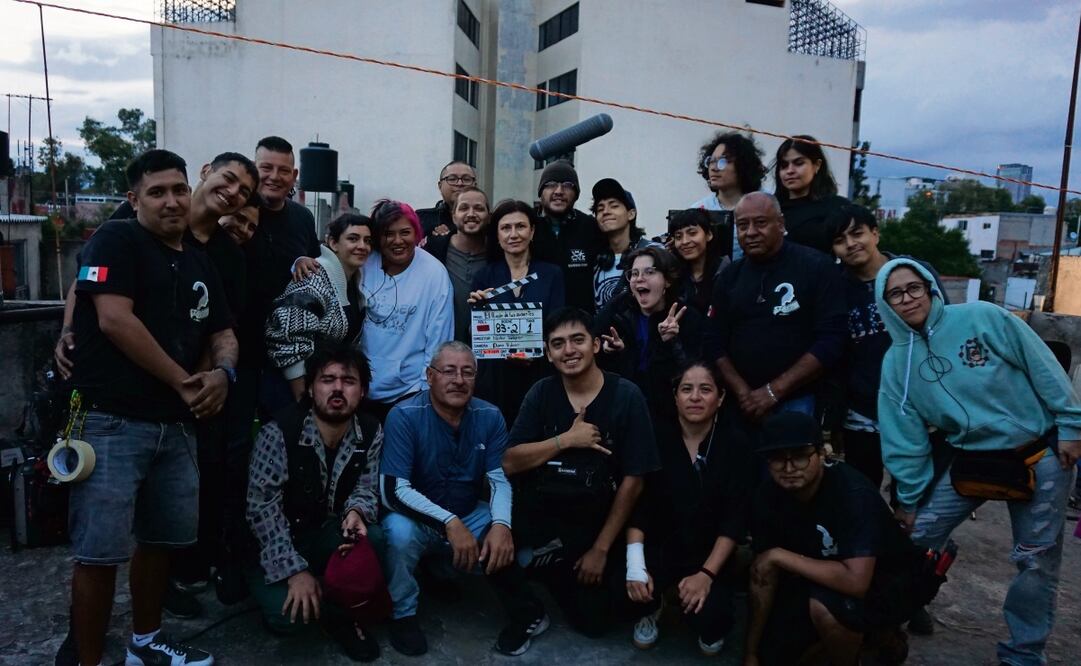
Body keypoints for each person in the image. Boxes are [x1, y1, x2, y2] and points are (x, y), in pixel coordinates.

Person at [64, 149, 237, 666]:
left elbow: (223, 330)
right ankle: (88, 660)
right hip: (112, 421)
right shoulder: (117, 240)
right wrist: (187, 382)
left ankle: (145, 642)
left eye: (178, 190)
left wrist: (222, 374)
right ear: (133, 198)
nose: (171, 201)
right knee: (99, 553)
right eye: (157, 192)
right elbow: (115, 320)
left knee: (160, 542)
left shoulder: (199, 258)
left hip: (176, 426)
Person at [876, 258, 1081, 666]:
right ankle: (883, 625)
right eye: (895, 294)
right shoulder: (896, 363)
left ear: (931, 288)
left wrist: (1072, 425)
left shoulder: (983, 318)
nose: (907, 298)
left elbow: (1043, 367)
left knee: (1036, 561)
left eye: (914, 287)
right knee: (914, 540)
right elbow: (904, 436)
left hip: (1036, 452)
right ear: (886, 305)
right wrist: (911, 498)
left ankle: (1023, 654)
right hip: (971, 460)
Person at [379, 342, 547, 657]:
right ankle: (402, 613)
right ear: (430, 376)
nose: (458, 379)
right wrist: (449, 523)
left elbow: (498, 479)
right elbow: (393, 490)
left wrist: (500, 525)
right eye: (449, 371)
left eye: (467, 372)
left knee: (513, 546)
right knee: (397, 533)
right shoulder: (403, 415)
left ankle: (518, 607)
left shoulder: (489, 415)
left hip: (468, 511)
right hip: (419, 517)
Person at [504, 307, 660, 638]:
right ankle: (551, 565)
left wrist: (601, 549)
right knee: (496, 540)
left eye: (578, 340)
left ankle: (566, 566)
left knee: (596, 621)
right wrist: (565, 440)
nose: (569, 350)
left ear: (596, 345)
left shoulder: (626, 395)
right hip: (550, 510)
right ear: (548, 353)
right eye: (558, 344)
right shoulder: (542, 393)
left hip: (604, 519)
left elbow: (635, 479)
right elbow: (510, 461)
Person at [745, 412, 929, 666]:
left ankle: (879, 638)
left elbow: (856, 582)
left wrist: (779, 555)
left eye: (800, 456)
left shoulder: (853, 495)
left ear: (822, 454)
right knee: (776, 655)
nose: (789, 468)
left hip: (886, 582)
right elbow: (763, 572)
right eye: (778, 458)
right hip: (818, 574)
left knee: (827, 611)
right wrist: (751, 653)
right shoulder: (768, 496)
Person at [246, 341, 389, 662]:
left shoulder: (370, 430)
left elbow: (367, 487)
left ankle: (339, 611)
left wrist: (356, 512)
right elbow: (261, 509)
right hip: (277, 542)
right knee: (288, 619)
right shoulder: (279, 432)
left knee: (375, 537)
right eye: (328, 379)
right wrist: (294, 571)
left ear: (363, 391)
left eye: (349, 381)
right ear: (310, 388)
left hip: (325, 533)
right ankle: (328, 595)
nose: (338, 388)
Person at [625, 363, 751, 655]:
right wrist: (635, 565)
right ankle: (655, 606)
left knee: (713, 621)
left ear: (720, 398)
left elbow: (735, 518)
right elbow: (639, 506)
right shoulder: (656, 438)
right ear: (675, 397)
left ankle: (701, 597)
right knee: (629, 590)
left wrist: (706, 575)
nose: (695, 397)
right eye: (686, 389)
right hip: (663, 545)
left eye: (705, 389)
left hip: (710, 552)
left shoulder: (736, 444)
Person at [828, 204, 946, 491]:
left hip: (919, 405)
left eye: (857, 233)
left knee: (915, 493)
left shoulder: (913, 273)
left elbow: (944, 328)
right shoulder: (834, 289)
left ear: (876, 233)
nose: (850, 244)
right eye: (840, 240)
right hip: (862, 411)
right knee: (862, 492)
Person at [703, 192, 846, 426]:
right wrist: (743, 393)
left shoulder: (816, 267)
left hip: (799, 401)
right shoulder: (729, 276)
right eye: (742, 225)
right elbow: (713, 341)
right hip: (741, 404)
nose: (750, 232)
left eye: (760, 223)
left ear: (780, 224)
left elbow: (832, 339)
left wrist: (773, 391)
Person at [468, 199, 565, 426]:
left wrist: (534, 349)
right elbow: (475, 334)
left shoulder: (551, 274)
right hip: (495, 381)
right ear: (498, 235)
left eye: (520, 226)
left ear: (532, 231)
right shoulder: (484, 277)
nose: (514, 234)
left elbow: (557, 327)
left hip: (540, 375)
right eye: (506, 228)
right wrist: (478, 311)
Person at [361, 199, 453, 420]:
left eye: (405, 232)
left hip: (410, 391)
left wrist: (426, 391)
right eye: (388, 233)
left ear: (417, 233)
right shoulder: (364, 264)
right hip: (360, 388)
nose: (397, 241)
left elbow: (438, 338)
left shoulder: (434, 273)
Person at [266, 214, 373, 400]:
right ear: (333, 243)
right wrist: (305, 401)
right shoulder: (312, 276)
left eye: (368, 240)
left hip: (323, 392)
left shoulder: (354, 284)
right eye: (353, 238)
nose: (362, 246)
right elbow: (287, 338)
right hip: (293, 392)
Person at [595, 246, 703, 418]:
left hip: (669, 409)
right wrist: (609, 350)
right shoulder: (617, 308)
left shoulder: (687, 316)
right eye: (635, 273)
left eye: (649, 272)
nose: (639, 279)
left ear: (667, 280)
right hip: (623, 405)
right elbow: (594, 348)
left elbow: (692, 372)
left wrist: (671, 342)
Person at [531, 160, 604, 313]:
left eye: (567, 185)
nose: (558, 191)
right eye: (551, 184)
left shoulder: (591, 227)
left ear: (576, 194)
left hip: (580, 323)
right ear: (540, 192)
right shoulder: (527, 227)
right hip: (537, 323)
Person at [421, 186, 490, 343]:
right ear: (453, 216)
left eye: (478, 208)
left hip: (487, 351)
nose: (471, 214)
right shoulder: (433, 250)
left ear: (489, 216)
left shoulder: (499, 254)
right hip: (441, 349)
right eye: (464, 208)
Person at [692, 131, 768, 262]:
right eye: (711, 161)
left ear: (743, 165)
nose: (714, 168)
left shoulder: (767, 203)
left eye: (723, 161)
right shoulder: (698, 210)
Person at [773, 135, 849, 256]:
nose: (790, 170)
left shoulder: (839, 208)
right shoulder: (771, 210)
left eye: (798, 163)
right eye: (784, 165)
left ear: (817, 165)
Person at [590, 178, 656, 310]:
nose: (606, 212)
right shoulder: (595, 258)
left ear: (631, 214)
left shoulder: (654, 252)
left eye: (614, 206)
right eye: (600, 208)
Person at [667, 208, 728, 315]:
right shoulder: (672, 275)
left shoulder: (727, 272)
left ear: (709, 235)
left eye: (692, 233)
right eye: (678, 236)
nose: (685, 241)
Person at [416, 160, 477, 236]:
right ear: (440, 185)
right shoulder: (421, 219)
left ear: (475, 185)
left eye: (466, 179)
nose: (460, 183)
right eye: (452, 179)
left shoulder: (484, 220)